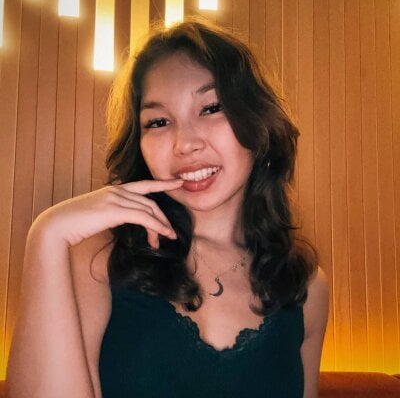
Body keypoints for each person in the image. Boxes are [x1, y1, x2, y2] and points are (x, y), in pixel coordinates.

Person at [6, 20, 329, 398]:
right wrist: (47, 234)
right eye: (158, 121)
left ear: (256, 124)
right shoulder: (96, 258)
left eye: (211, 107)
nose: (184, 143)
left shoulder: (307, 286)